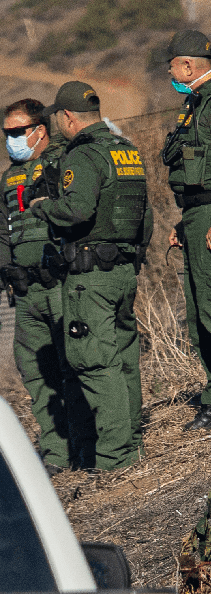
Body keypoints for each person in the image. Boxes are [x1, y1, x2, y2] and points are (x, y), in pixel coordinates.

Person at [29, 81, 152, 471]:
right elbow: (144, 216)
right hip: (123, 271)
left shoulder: (82, 157)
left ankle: (116, 459)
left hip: (91, 276)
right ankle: (132, 446)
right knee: (124, 358)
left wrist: (43, 207)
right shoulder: (126, 151)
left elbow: (77, 210)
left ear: (67, 117)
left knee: (95, 362)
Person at [0, 98, 90, 474]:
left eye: (17, 132)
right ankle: (56, 452)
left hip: (62, 284)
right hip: (27, 291)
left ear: (40, 130)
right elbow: (2, 232)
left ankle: (85, 447)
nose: (11, 140)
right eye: (6, 133)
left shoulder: (66, 162)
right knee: (35, 370)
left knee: (73, 365)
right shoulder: (9, 177)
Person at [163, 30, 211, 431]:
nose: (170, 72)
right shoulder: (193, 105)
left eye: (173, 65)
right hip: (196, 217)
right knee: (199, 315)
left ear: (189, 65)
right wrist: (185, 220)